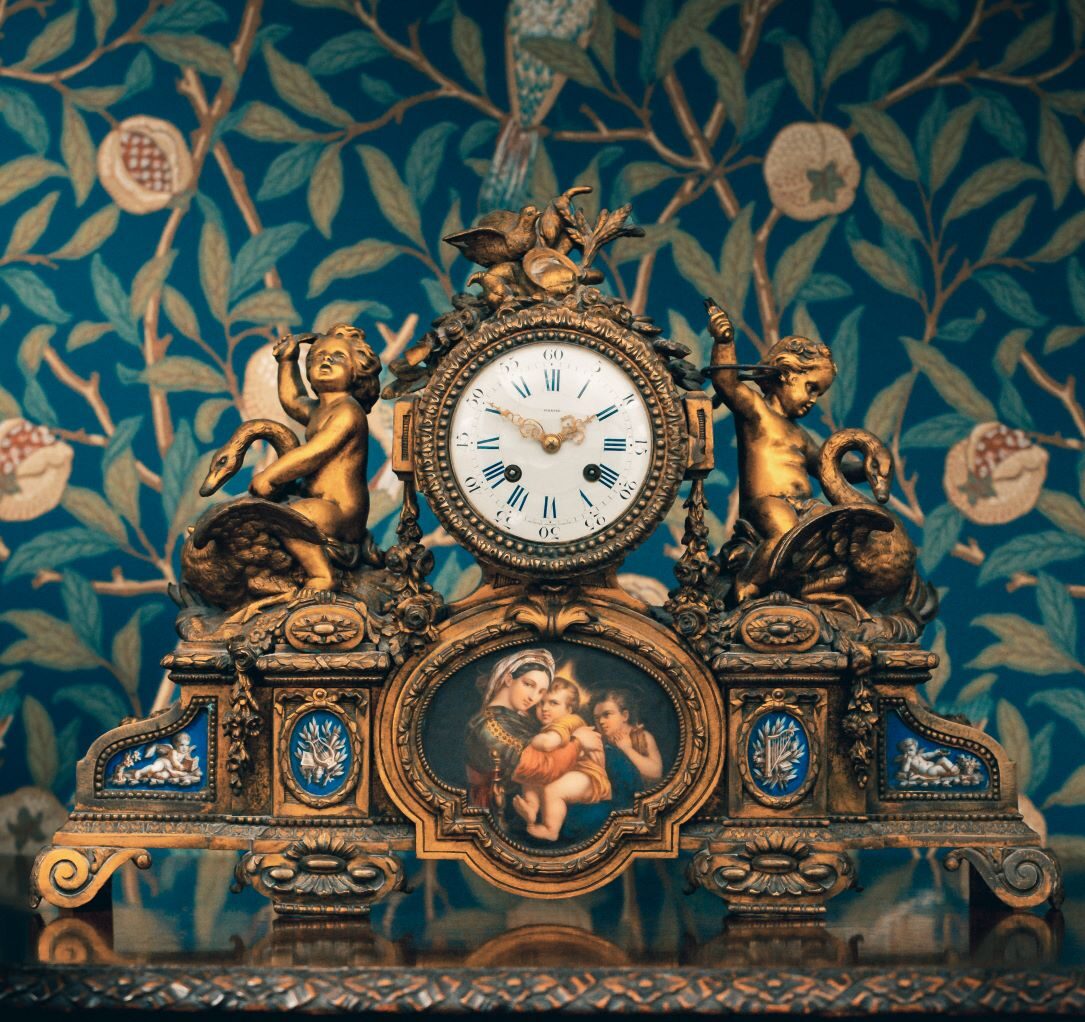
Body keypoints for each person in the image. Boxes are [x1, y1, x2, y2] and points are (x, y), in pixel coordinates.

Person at [706, 300, 867, 602]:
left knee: (841, 538)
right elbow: (725, 381)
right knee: (785, 533)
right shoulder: (756, 411)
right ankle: (746, 584)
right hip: (766, 503)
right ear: (787, 373)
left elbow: (828, 468)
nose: (814, 400)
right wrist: (724, 341)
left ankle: (816, 593)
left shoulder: (801, 435)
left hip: (804, 505)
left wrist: (866, 467)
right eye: (811, 387)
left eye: (819, 393)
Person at [249, 323, 380, 591]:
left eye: (338, 357)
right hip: (319, 502)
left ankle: (322, 576)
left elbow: (315, 452)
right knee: (271, 513)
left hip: (342, 511)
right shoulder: (322, 408)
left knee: (290, 518)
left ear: (358, 371)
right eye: (319, 356)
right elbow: (293, 399)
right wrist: (287, 360)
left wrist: (270, 475)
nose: (326, 360)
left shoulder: (348, 412)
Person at [464, 650, 603, 813]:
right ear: (509, 679)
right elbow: (539, 769)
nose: (533, 698)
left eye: (540, 692)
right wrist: (578, 742)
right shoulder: (489, 726)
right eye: (529, 684)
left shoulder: (519, 718)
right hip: (500, 815)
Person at [512, 677, 611, 842]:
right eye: (541, 703)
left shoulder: (569, 722)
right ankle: (532, 806)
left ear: (569, 708)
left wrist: (531, 740)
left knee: (553, 788)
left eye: (553, 703)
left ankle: (551, 830)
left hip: (588, 777)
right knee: (532, 772)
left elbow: (548, 744)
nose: (544, 708)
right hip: (563, 771)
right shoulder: (550, 726)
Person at [593, 690, 663, 784]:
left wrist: (626, 749)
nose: (601, 721)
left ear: (625, 716)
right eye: (597, 717)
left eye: (607, 714)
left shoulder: (642, 737)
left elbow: (656, 773)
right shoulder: (598, 741)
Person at [130, 733, 200, 784]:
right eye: (182, 745)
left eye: (186, 745)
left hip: (169, 768)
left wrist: (191, 763)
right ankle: (140, 772)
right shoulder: (174, 752)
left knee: (164, 776)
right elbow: (175, 762)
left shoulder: (184, 753)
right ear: (176, 744)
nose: (184, 747)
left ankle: (152, 774)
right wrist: (180, 766)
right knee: (155, 768)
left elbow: (188, 758)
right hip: (163, 762)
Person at [895, 738, 960, 781]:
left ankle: (952, 770)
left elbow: (927, 755)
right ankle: (952, 772)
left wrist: (935, 753)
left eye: (911, 750)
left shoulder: (919, 756)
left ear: (916, 749)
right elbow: (905, 770)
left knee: (943, 759)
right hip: (929, 772)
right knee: (938, 768)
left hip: (933, 767)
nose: (908, 752)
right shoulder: (908, 760)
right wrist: (907, 761)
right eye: (905, 751)